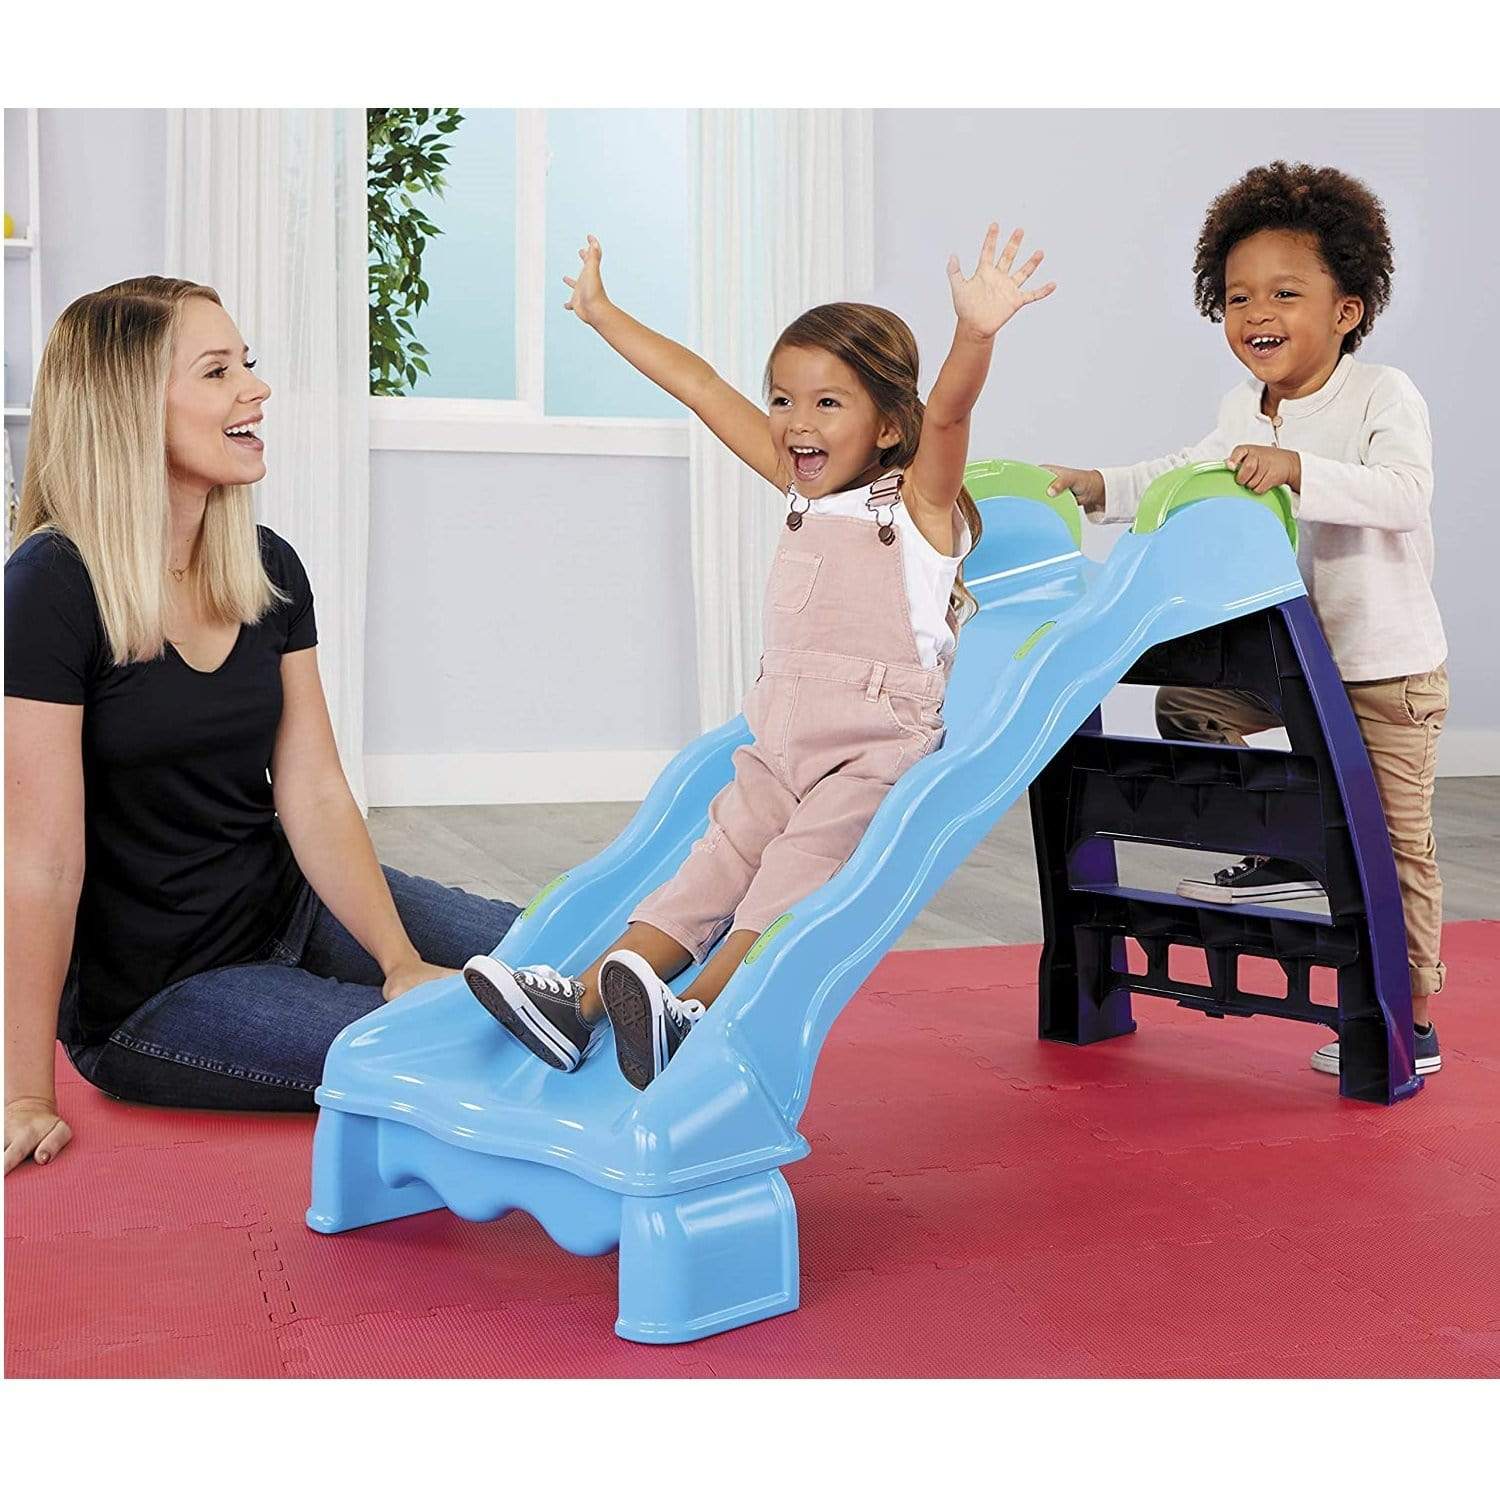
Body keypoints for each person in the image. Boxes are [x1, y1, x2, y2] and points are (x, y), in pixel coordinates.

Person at [464, 224, 1054, 1090]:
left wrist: (974, 333)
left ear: (890, 426)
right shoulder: (798, 490)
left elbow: (951, 412)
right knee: (712, 866)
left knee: (791, 875)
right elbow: (700, 385)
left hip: (871, 749)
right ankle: (580, 1005)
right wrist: (602, 314)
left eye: (827, 403)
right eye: (782, 399)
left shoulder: (918, 506)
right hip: (779, 737)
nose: (795, 422)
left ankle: (697, 1011)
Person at [4, 277, 520, 1174]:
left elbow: (312, 789)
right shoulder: (51, 586)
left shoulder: (265, 564)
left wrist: (397, 960)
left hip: (292, 903)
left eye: (247, 363)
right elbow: (37, 862)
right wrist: (23, 1093)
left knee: (561, 952)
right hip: (160, 994)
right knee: (465, 1047)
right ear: (129, 407)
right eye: (218, 372)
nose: (257, 388)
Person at [1043, 161, 1446, 1078]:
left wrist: (1298, 469)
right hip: (1283, 666)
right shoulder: (1241, 408)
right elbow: (1184, 471)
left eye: (1285, 293)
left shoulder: (1381, 394)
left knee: (1394, 846)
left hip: (1382, 670)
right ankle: (1285, 853)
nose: (1257, 312)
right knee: (1192, 711)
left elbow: (1405, 495)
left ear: (1346, 309)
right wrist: (1098, 486)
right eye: (1237, 296)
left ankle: (1411, 1018)